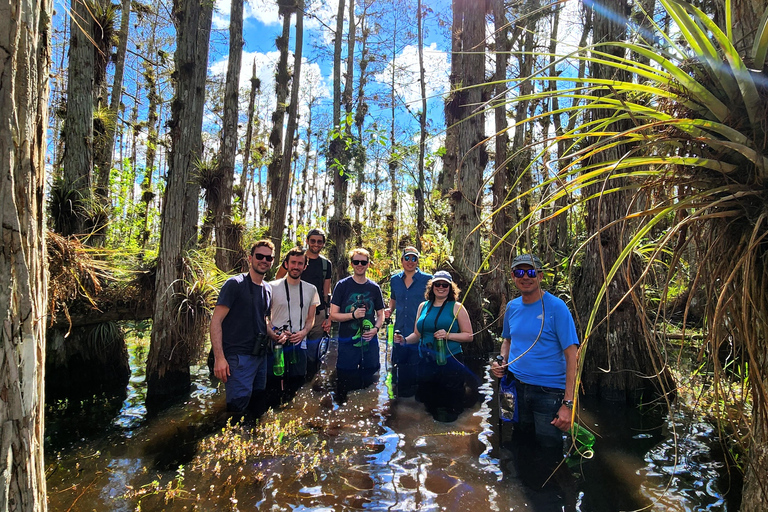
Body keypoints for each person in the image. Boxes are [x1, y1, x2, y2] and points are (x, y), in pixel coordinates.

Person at [491, 254, 579, 448]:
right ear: (513, 277)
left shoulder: (557, 308)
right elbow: (508, 340)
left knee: (548, 448)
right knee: (521, 441)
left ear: (540, 276)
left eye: (531, 272)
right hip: (516, 387)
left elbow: (572, 356)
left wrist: (568, 404)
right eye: (519, 272)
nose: (525, 277)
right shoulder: (512, 307)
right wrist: (501, 359)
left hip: (548, 392)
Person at [210, 240, 287, 414]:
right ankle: (231, 438)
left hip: (260, 356)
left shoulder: (267, 289)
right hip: (238, 358)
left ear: (272, 261)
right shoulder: (235, 284)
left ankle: (252, 439)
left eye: (268, 258)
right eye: (259, 256)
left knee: (257, 402)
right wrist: (219, 358)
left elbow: (263, 320)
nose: (264, 260)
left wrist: (274, 335)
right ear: (250, 258)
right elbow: (216, 321)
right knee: (237, 407)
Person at [395, 270, 473, 421]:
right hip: (426, 361)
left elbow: (469, 336)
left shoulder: (457, 307)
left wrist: (448, 335)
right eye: (438, 284)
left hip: (450, 360)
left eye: (445, 285)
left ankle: (450, 435)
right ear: (432, 286)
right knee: (428, 405)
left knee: (449, 406)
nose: (441, 287)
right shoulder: (423, 306)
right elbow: (417, 334)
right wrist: (404, 340)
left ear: (451, 288)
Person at [329, 248, 385, 400]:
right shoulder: (342, 286)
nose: (360, 265)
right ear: (351, 264)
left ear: (368, 265)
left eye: (363, 262)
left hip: (370, 344)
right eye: (356, 262)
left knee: (371, 384)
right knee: (344, 384)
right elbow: (333, 315)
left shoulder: (374, 288)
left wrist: (375, 329)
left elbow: (381, 314)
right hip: (348, 343)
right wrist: (352, 315)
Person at [276, 228, 332, 373]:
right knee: (291, 352)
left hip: (317, 314)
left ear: (323, 244)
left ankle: (310, 383)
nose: (316, 244)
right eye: (312, 241)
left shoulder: (326, 264)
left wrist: (328, 317)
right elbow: (278, 278)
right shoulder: (296, 259)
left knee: (313, 354)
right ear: (307, 241)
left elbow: (326, 292)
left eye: (319, 241)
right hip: (294, 313)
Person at [268, 247, 321, 388]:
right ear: (286, 264)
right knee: (274, 385)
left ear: (305, 266)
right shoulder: (271, 287)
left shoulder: (311, 289)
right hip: (277, 344)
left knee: (297, 385)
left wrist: (303, 333)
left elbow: (311, 318)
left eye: (299, 263)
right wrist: (274, 332)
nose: (296, 267)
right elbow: (264, 316)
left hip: (299, 344)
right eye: (293, 263)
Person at [384, 247, 432, 397]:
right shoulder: (394, 280)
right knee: (398, 369)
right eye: (407, 258)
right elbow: (393, 299)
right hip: (399, 330)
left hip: (419, 332)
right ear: (402, 260)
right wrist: (389, 310)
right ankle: (397, 401)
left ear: (418, 261)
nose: (410, 262)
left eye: (414, 259)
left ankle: (416, 405)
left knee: (418, 371)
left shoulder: (427, 279)